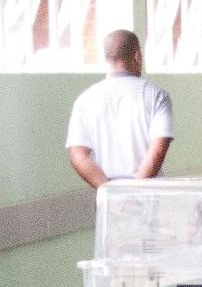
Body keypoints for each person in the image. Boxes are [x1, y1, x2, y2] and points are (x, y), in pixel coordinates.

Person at [66, 29, 173, 187]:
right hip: (150, 198)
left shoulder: (84, 100)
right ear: (137, 56)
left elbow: (78, 156)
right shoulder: (157, 95)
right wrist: (133, 192)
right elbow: (157, 151)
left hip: (109, 204)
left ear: (106, 58)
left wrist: (110, 191)